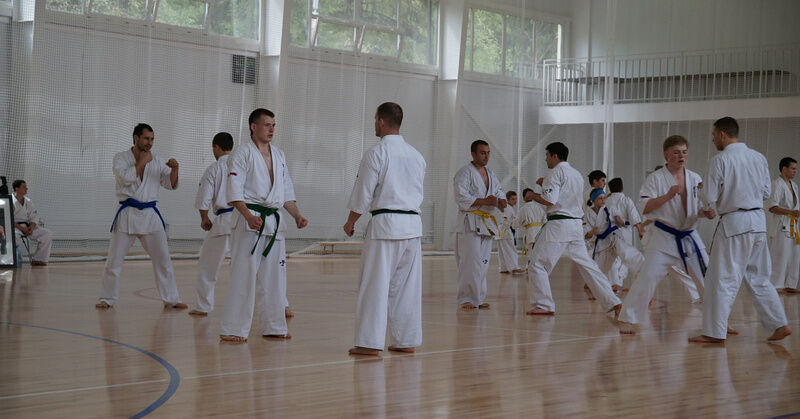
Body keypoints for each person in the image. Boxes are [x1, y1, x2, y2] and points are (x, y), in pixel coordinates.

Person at [689, 117, 791, 344]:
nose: (713, 139)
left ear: (722, 134)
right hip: (758, 222)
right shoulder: (759, 157)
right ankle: (779, 323)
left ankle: (714, 332)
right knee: (760, 278)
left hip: (734, 223)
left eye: (714, 135)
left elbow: (710, 196)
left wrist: (701, 191)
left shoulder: (720, 159)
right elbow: (766, 193)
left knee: (721, 278)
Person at [343, 102, 426, 356]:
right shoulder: (417, 156)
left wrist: (351, 221)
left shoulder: (377, 153)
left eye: (375, 120)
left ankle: (369, 342)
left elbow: (363, 194)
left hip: (386, 225)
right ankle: (405, 340)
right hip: (412, 226)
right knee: (407, 287)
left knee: (375, 284)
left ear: (381, 121)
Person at [219, 108, 308, 343]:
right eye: (267, 125)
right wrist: (248, 216)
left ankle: (275, 327)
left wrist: (297, 215)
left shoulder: (279, 155)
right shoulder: (242, 153)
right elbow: (234, 190)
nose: (271, 129)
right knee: (243, 276)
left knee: (275, 278)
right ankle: (233, 329)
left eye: (273, 125)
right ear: (253, 127)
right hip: (249, 221)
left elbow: (286, 191)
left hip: (273, 222)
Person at [616, 135, 708, 334]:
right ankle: (628, 318)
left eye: (684, 152)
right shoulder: (655, 179)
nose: (681, 156)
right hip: (664, 238)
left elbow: (695, 207)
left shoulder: (695, 178)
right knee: (647, 277)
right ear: (666, 155)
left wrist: (704, 212)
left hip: (690, 237)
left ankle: (719, 321)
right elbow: (644, 206)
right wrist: (668, 195)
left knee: (707, 278)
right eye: (676, 152)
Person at [95, 124, 186, 309]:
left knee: (163, 260)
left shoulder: (157, 160)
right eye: (146, 138)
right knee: (114, 260)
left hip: (150, 215)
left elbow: (169, 184)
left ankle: (172, 299)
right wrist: (142, 162)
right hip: (127, 213)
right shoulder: (121, 158)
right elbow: (125, 179)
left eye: (152, 139)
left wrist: (175, 169)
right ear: (135, 138)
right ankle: (107, 298)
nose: (149, 143)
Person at [526, 142, 621, 316]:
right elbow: (564, 194)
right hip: (575, 225)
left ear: (555, 156)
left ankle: (544, 304)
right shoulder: (576, 174)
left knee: (537, 264)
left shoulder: (554, 172)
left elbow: (550, 200)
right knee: (588, 266)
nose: (546, 159)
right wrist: (544, 183)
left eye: (547, 155)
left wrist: (532, 195)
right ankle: (613, 301)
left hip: (559, 224)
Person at [453, 140, 507, 310]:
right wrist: (485, 201)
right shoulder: (464, 173)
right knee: (470, 262)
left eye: (488, 153)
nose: (486, 156)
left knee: (483, 262)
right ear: (473, 154)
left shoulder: (491, 174)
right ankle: (466, 298)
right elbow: (461, 197)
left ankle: (478, 297)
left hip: (486, 222)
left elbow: (499, 192)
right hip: (469, 222)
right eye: (483, 153)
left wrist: (502, 201)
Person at [189, 132, 235, 317]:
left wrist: (204, 218)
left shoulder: (214, 169)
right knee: (250, 267)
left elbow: (204, 199)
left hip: (223, 223)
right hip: (245, 222)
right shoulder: (242, 166)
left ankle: (203, 306)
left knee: (207, 267)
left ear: (216, 146)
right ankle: (280, 304)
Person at [583, 188, 644, 294]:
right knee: (600, 268)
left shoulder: (609, 209)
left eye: (604, 198)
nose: (603, 200)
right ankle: (596, 284)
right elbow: (586, 233)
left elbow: (622, 222)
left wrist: (621, 222)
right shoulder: (588, 214)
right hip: (602, 243)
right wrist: (592, 232)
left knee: (626, 253)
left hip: (614, 237)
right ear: (594, 200)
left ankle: (642, 268)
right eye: (600, 198)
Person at [605, 177, 646, 291]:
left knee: (613, 258)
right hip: (624, 231)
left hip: (609, 232)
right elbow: (634, 216)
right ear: (622, 188)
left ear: (610, 189)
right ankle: (618, 281)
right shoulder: (626, 200)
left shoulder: (606, 201)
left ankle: (615, 282)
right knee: (624, 258)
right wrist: (639, 229)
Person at [766, 157, 800, 294]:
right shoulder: (777, 184)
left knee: (794, 255)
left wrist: (795, 213)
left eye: (796, 169)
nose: (795, 171)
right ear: (784, 169)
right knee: (779, 255)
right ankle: (775, 285)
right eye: (793, 169)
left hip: (794, 226)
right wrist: (790, 212)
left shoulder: (794, 185)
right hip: (781, 226)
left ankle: (790, 284)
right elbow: (772, 207)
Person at [11, 180, 53, 266]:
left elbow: (34, 216)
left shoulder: (28, 201)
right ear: (16, 188)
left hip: (27, 227)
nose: (26, 189)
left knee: (47, 233)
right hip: (15, 227)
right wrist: (23, 229)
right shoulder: (9, 200)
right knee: (14, 238)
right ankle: (12, 260)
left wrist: (31, 228)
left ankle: (39, 259)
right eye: (24, 187)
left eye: (26, 187)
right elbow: (8, 219)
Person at [514, 186, 547, 271]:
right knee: (539, 252)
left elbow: (516, 223)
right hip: (540, 231)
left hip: (531, 232)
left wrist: (515, 225)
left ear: (523, 198)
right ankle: (539, 268)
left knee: (531, 252)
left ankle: (532, 268)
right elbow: (545, 221)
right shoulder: (539, 207)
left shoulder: (523, 209)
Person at [498, 191, 524, 274]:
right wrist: (514, 224)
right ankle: (514, 268)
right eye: (513, 199)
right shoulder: (507, 208)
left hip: (502, 231)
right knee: (511, 250)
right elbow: (506, 221)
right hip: (506, 231)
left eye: (516, 199)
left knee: (503, 251)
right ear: (508, 200)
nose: (515, 201)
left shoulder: (508, 208)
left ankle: (504, 268)